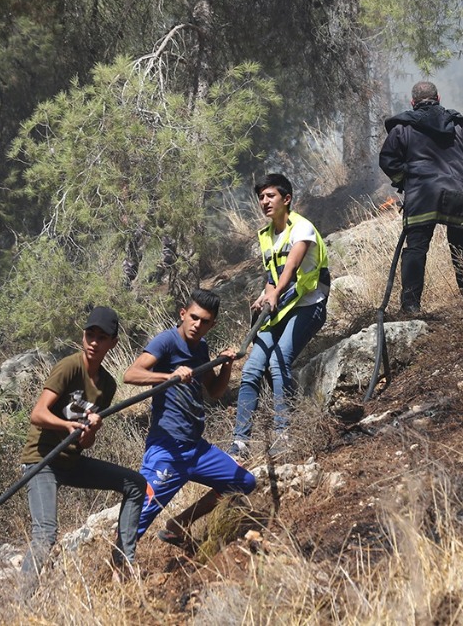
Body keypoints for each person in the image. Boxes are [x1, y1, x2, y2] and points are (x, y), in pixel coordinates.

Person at [123, 289, 256, 550]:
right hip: (167, 449)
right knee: (136, 521)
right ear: (183, 314)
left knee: (243, 482)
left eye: (205, 321)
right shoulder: (166, 341)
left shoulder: (201, 348)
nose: (197, 325)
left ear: (212, 324)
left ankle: (179, 525)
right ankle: (117, 564)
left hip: (196, 448)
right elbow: (131, 374)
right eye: (193, 317)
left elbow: (215, 392)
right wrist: (169, 376)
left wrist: (226, 365)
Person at [20, 306, 147, 580]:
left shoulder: (107, 386)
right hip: (41, 460)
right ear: (83, 336)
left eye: (102, 338)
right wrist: (66, 425)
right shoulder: (69, 367)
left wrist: (91, 430)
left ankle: (124, 566)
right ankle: (21, 600)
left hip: (71, 462)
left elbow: (86, 442)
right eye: (90, 335)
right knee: (45, 533)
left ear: (113, 343)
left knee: (135, 484)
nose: (94, 343)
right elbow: (38, 414)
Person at [231, 173, 330, 457]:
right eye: (261, 197)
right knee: (251, 369)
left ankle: (283, 435)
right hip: (280, 307)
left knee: (278, 361)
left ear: (286, 199)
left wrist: (275, 292)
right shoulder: (265, 236)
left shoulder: (302, 228)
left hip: (309, 304)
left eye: (270, 196)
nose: (264, 201)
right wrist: (266, 294)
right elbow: (272, 276)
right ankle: (240, 442)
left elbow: (292, 266)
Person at [379, 80, 463, 314]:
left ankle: (411, 307)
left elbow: (388, 161)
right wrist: (460, 184)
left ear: (412, 102)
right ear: (438, 98)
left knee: (416, 248)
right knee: (461, 243)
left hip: (422, 195)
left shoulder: (402, 128)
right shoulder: (458, 126)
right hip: (457, 195)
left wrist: (404, 180)